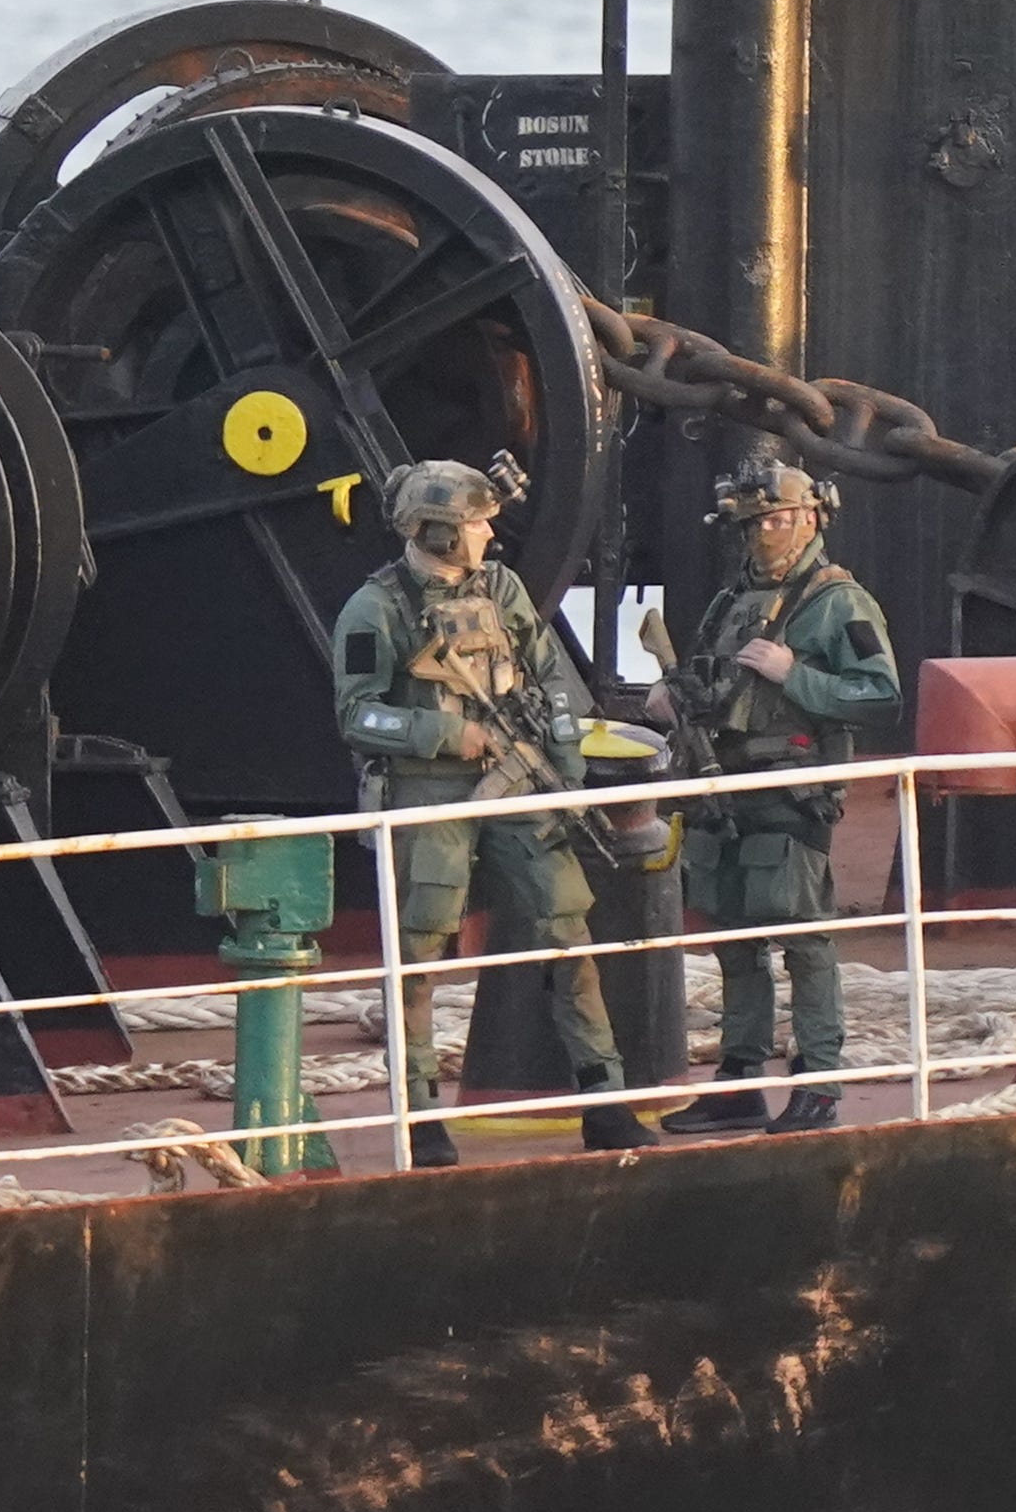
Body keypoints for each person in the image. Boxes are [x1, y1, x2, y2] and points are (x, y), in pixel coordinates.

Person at [335, 460, 657, 1169]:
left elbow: (548, 676)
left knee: (566, 931)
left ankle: (605, 1101)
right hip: (428, 793)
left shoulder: (502, 589)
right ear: (442, 533)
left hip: (519, 782)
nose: (488, 531)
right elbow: (357, 715)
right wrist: (447, 734)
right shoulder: (376, 608)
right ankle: (420, 1118)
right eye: (477, 522)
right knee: (418, 955)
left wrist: (565, 768)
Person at [651, 459, 906, 1135]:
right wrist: (672, 697)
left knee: (803, 939)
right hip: (722, 786)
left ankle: (817, 1083)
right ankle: (738, 1082)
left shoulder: (836, 602)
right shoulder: (732, 599)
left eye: (779, 518)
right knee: (734, 939)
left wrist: (796, 675)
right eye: (754, 521)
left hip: (790, 792)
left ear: (812, 517)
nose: (766, 532)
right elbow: (707, 674)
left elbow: (880, 694)